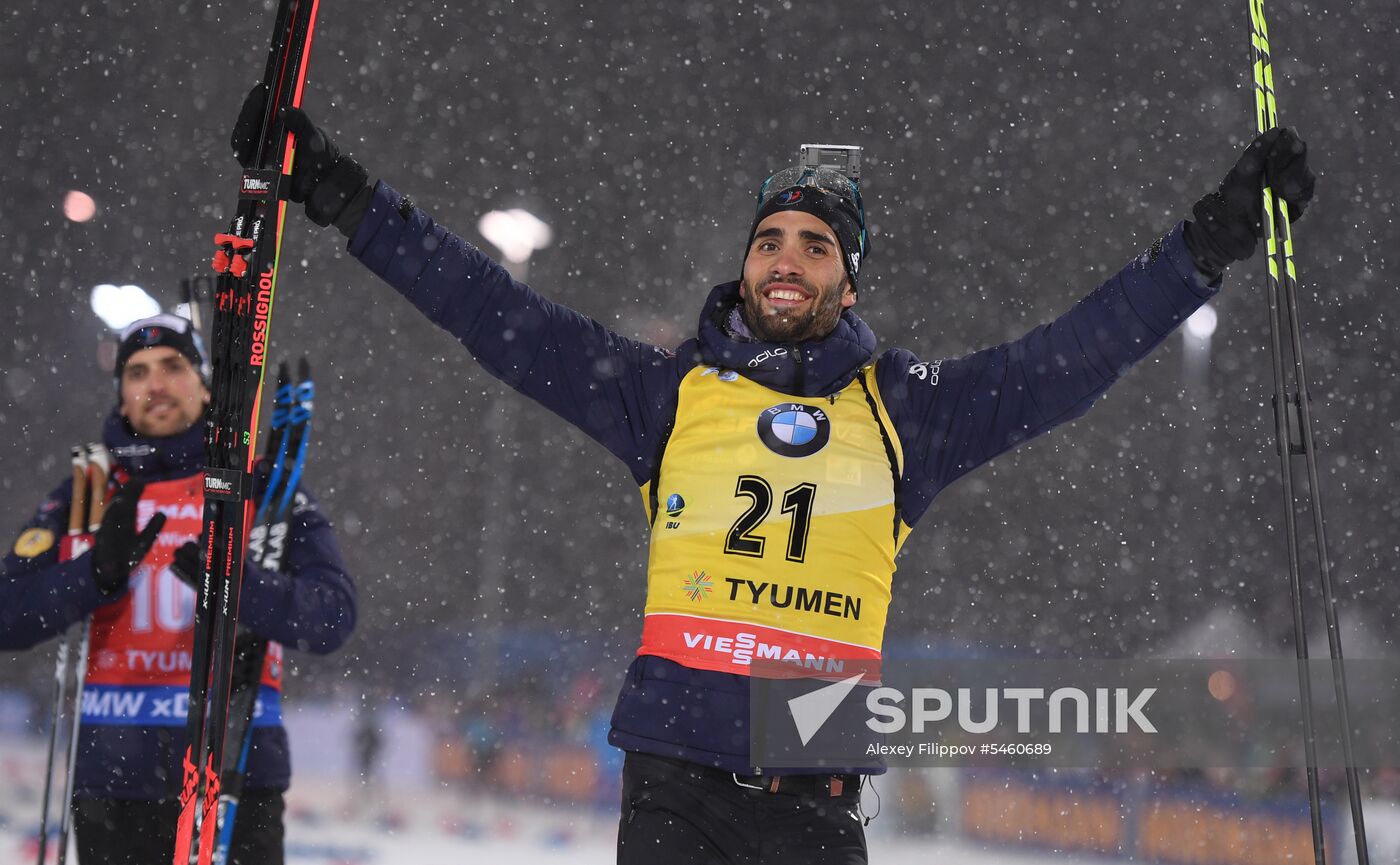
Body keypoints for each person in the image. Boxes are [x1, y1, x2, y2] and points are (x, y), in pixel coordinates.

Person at [239, 87, 1313, 863]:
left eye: (812, 243)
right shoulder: (664, 395)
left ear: (847, 282)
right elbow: (492, 312)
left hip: (814, 798)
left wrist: (1203, 243)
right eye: (768, 240)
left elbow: (1072, 355)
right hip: (674, 794)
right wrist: (346, 197)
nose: (785, 257)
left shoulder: (907, 411)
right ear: (743, 263)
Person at [0, 313, 357, 865]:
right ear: (121, 395)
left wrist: (238, 588)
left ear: (206, 384)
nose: (156, 385)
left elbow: (333, 617)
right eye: (138, 372)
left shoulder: (258, 485)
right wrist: (93, 576)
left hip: (235, 777)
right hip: (113, 790)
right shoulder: (87, 490)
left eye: (173, 366)